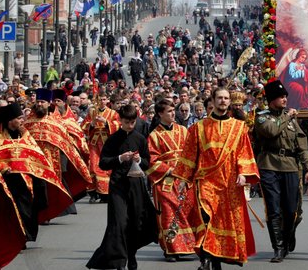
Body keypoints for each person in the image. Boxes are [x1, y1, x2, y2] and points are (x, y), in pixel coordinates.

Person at [173, 88, 260, 270]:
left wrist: (243, 173)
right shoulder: (198, 128)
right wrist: (182, 180)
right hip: (205, 182)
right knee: (206, 219)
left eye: (226, 98)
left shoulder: (239, 127)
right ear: (212, 100)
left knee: (221, 224)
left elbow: (244, 153)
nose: (223, 101)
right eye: (219, 97)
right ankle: (205, 259)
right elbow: (189, 155)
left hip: (229, 184)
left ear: (229, 102)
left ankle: (215, 260)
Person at [86, 104, 158, 270]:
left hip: (136, 185)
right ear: (120, 121)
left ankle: (132, 256)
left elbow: (148, 162)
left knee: (135, 223)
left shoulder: (140, 139)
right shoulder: (113, 139)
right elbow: (103, 163)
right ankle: (119, 261)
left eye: (133, 122)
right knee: (119, 223)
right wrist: (119, 158)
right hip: (118, 186)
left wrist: (139, 160)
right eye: (127, 122)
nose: (130, 125)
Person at [0, 103, 72, 245]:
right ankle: (18, 238)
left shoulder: (24, 135)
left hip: (27, 178)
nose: (22, 120)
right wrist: (3, 167)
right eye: (18, 118)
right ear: (10, 120)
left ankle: (26, 234)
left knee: (28, 209)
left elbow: (35, 154)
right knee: (12, 210)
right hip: (7, 180)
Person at [253, 80, 308, 262]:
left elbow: (302, 145)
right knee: (273, 209)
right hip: (269, 166)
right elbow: (271, 131)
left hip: (290, 167)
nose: (285, 99)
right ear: (272, 99)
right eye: (281, 97)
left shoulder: (291, 120)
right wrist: (288, 117)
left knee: (290, 209)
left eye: (286, 96)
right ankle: (278, 248)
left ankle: (288, 235)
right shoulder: (262, 117)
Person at [146, 99, 200, 262]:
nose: (173, 114)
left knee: (185, 212)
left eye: (173, 111)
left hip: (183, 179)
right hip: (166, 181)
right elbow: (151, 160)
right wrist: (169, 169)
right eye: (169, 111)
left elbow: (192, 151)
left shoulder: (183, 130)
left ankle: (186, 247)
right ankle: (170, 249)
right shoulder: (154, 135)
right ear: (160, 114)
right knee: (168, 214)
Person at [81, 92, 120, 203]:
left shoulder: (112, 113)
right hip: (94, 144)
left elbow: (119, 125)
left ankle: (105, 194)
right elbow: (83, 126)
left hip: (107, 144)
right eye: (100, 99)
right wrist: (92, 124)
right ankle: (93, 193)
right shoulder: (92, 112)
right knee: (92, 167)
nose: (102, 102)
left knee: (106, 169)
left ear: (107, 100)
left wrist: (106, 122)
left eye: (104, 99)